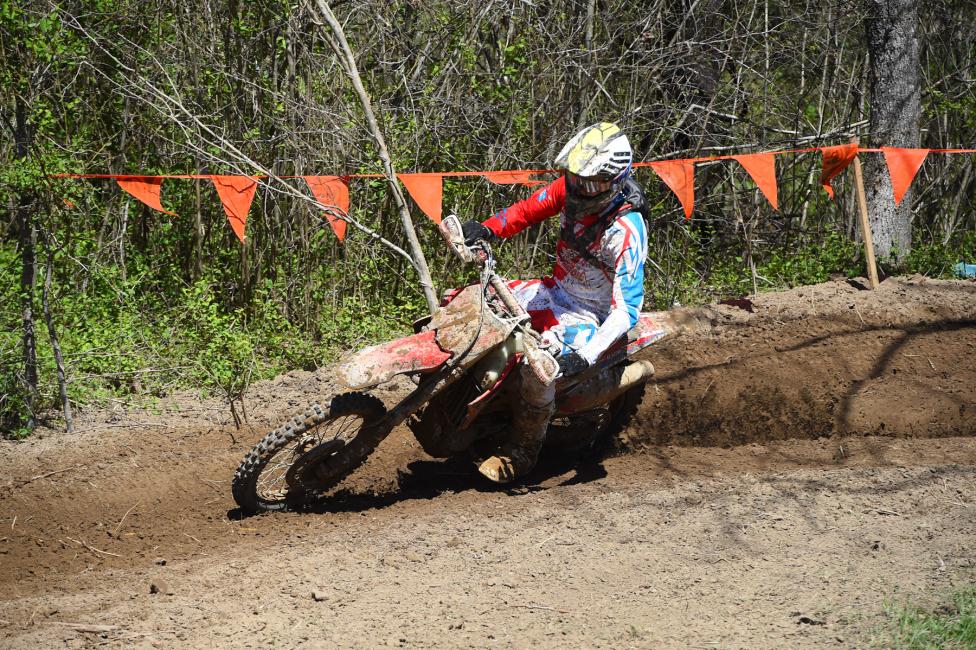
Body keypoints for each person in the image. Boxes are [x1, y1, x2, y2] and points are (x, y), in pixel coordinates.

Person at [461, 122, 649, 483]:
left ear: (615, 180)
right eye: (576, 177)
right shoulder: (570, 188)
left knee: (540, 369)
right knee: (474, 301)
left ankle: (522, 451)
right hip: (554, 290)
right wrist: (487, 229)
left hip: (590, 314)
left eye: (590, 182)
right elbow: (528, 210)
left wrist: (589, 353)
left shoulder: (626, 230)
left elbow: (627, 308)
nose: (580, 188)